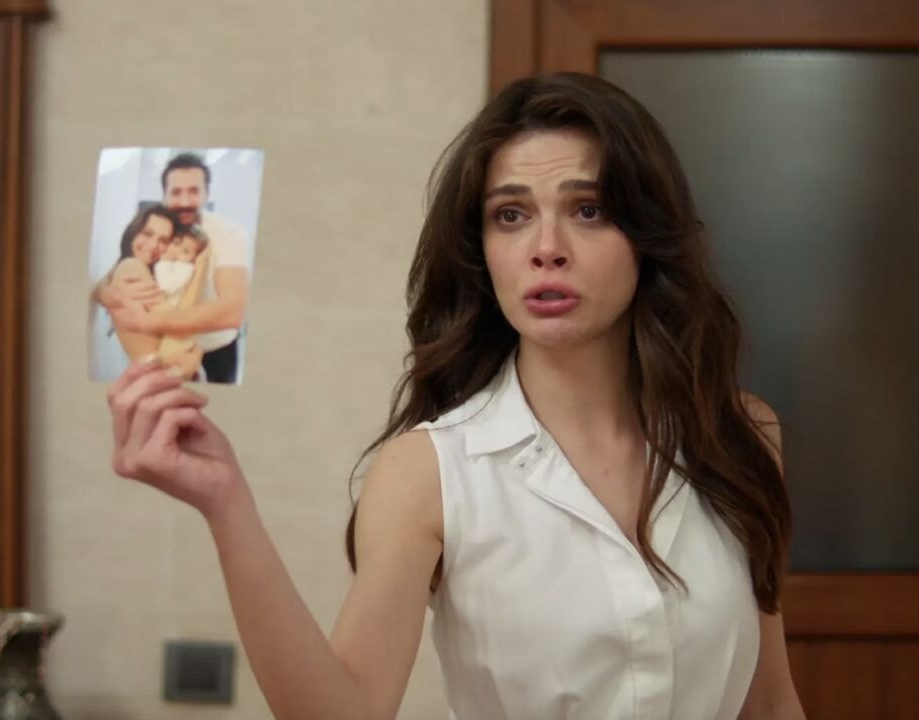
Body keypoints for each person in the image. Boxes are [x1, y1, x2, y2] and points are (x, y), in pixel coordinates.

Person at [106, 72, 805, 719]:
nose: (546, 247)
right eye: (511, 215)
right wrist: (227, 507)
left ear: (646, 237)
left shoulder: (741, 437)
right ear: (482, 249)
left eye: (588, 209)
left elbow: (771, 704)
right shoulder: (429, 472)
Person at [99, 153, 250, 383]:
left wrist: (145, 321)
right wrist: (108, 294)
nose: (185, 202)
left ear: (207, 193)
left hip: (216, 348)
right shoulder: (160, 229)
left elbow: (233, 311)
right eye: (176, 192)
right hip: (167, 345)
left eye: (194, 191)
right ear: (164, 195)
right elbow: (108, 279)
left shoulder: (229, 234)